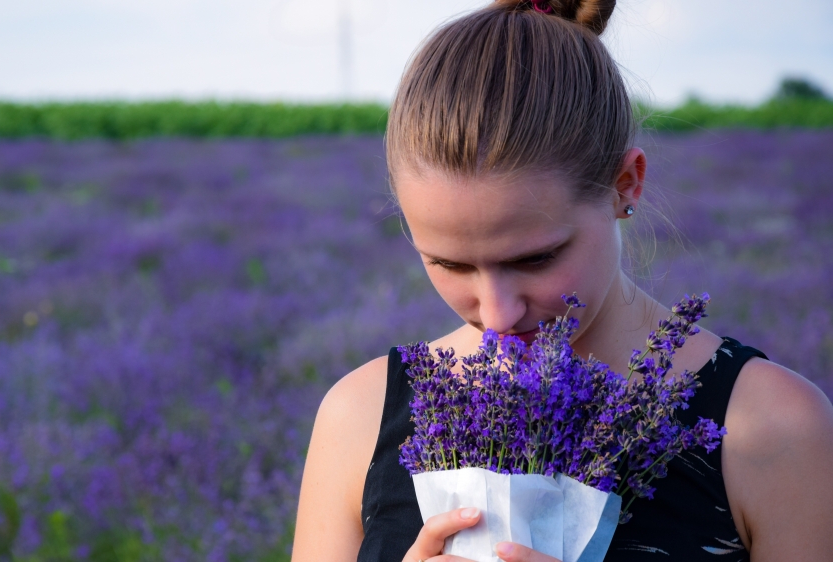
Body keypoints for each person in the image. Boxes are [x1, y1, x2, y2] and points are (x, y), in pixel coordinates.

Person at [291, 0, 833, 560]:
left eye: (535, 259)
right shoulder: (359, 416)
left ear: (625, 184)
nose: (498, 315)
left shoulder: (773, 428)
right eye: (450, 264)